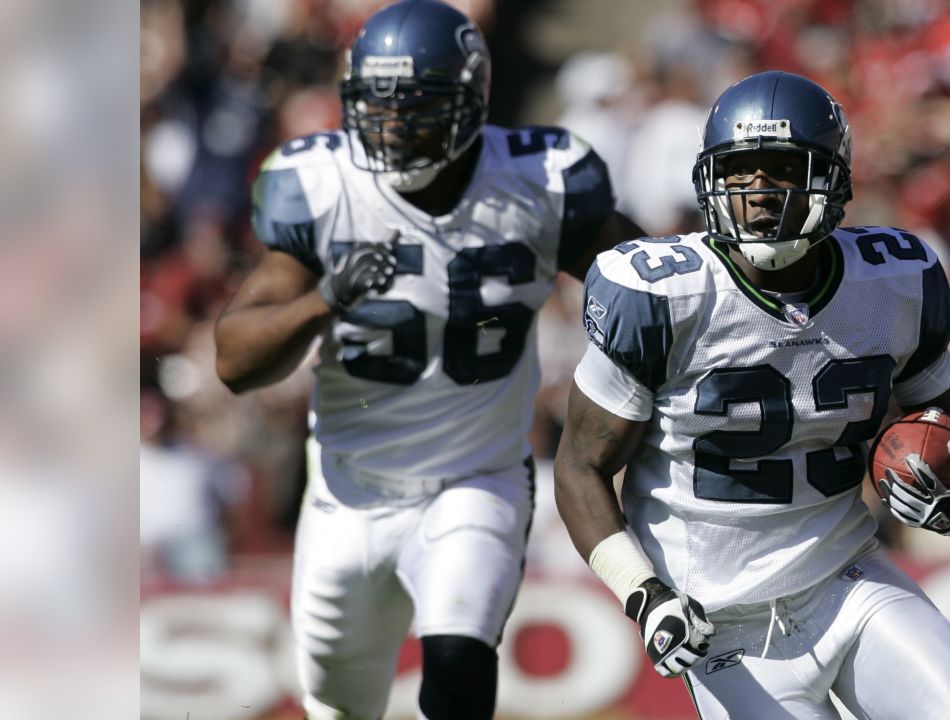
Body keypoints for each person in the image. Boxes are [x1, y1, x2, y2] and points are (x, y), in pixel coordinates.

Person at [213, 2, 644, 718]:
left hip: (475, 477)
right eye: (374, 105)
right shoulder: (324, 186)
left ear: (470, 99)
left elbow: (648, 287)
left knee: (459, 657)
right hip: (346, 494)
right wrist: (324, 300)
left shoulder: (539, 179)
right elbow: (234, 359)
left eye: (415, 106)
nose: (390, 126)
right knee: (339, 705)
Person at [554, 70, 950, 719]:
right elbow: (581, 466)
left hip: (844, 580)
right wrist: (644, 594)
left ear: (835, 178)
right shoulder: (664, 296)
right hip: (719, 624)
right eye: (740, 172)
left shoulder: (892, 282)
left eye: (781, 170)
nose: (758, 191)